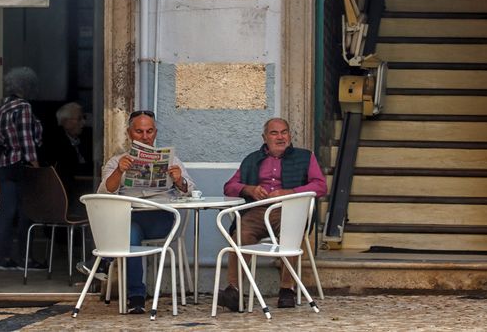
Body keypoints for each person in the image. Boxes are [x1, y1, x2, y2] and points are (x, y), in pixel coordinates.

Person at [217, 117, 327, 311]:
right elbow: (229, 186)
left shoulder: (305, 156)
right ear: (264, 137)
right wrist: (249, 189)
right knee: (240, 237)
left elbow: (320, 186)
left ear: (290, 136)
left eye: (284, 132)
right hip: (257, 210)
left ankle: (286, 289)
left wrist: (289, 193)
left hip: (289, 208)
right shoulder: (252, 159)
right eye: (274, 133)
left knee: (290, 235)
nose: (280, 137)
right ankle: (233, 290)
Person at [98, 110, 194, 314]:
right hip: (130, 217)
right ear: (129, 133)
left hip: (161, 218)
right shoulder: (117, 161)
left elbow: (190, 190)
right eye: (139, 131)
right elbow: (104, 192)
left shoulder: (171, 159)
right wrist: (119, 172)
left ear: (155, 132)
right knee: (130, 230)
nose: (145, 136)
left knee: (129, 231)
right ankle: (136, 296)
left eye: (149, 131)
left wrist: (179, 180)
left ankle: (106, 262)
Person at [0, 66, 43, 271]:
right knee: (26, 213)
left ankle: (1, 258)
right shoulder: (23, 108)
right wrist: (34, 164)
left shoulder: (0, 109)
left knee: (5, 213)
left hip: (2, 165)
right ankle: (25, 259)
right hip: (20, 165)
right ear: (27, 86)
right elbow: (26, 139)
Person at [43, 102, 95, 208]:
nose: (83, 122)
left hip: (84, 184)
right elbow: (68, 168)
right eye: (79, 118)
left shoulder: (85, 138)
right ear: (65, 121)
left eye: (84, 118)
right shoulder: (55, 142)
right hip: (65, 196)